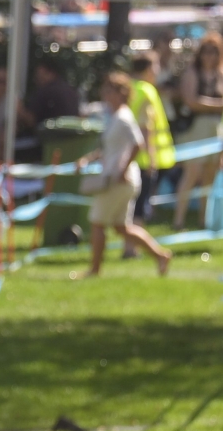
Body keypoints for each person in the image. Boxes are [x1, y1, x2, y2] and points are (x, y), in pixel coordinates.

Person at [76, 72, 172, 280]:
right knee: (122, 228)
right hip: (121, 179)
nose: (106, 94)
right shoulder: (115, 117)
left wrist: (122, 169)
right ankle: (161, 255)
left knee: (97, 222)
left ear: (122, 93)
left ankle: (94, 270)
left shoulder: (124, 117)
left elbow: (138, 144)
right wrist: (88, 159)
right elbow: (111, 149)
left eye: (111, 90)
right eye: (106, 89)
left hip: (119, 180)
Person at [124, 53, 176, 254]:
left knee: (132, 205)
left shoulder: (130, 88)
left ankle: (130, 247)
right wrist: (152, 157)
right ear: (147, 69)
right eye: (155, 67)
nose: (157, 71)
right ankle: (131, 250)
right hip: (144, 158)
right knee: (139, 207)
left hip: (130, 156)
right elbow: (146, 127)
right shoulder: (146, 91)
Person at [173, 33, 223, 231]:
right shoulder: (192, 73)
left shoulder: (220, 74)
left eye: (214, 52)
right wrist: (218, 106)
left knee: (210, 175)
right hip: (196, 128)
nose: (210, 56)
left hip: (216, 129)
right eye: (206, 52)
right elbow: (191, 101)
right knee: (192, 173)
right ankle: (178, 221)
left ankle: (204, 221)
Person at [18, 55, 82, 137]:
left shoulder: (45, 92)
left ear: (49, 72)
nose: (37, 76)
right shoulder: (71, 91)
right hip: (69, 140)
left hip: (45, 141)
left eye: (39, 73)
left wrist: (19, 111)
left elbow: (31, 120)